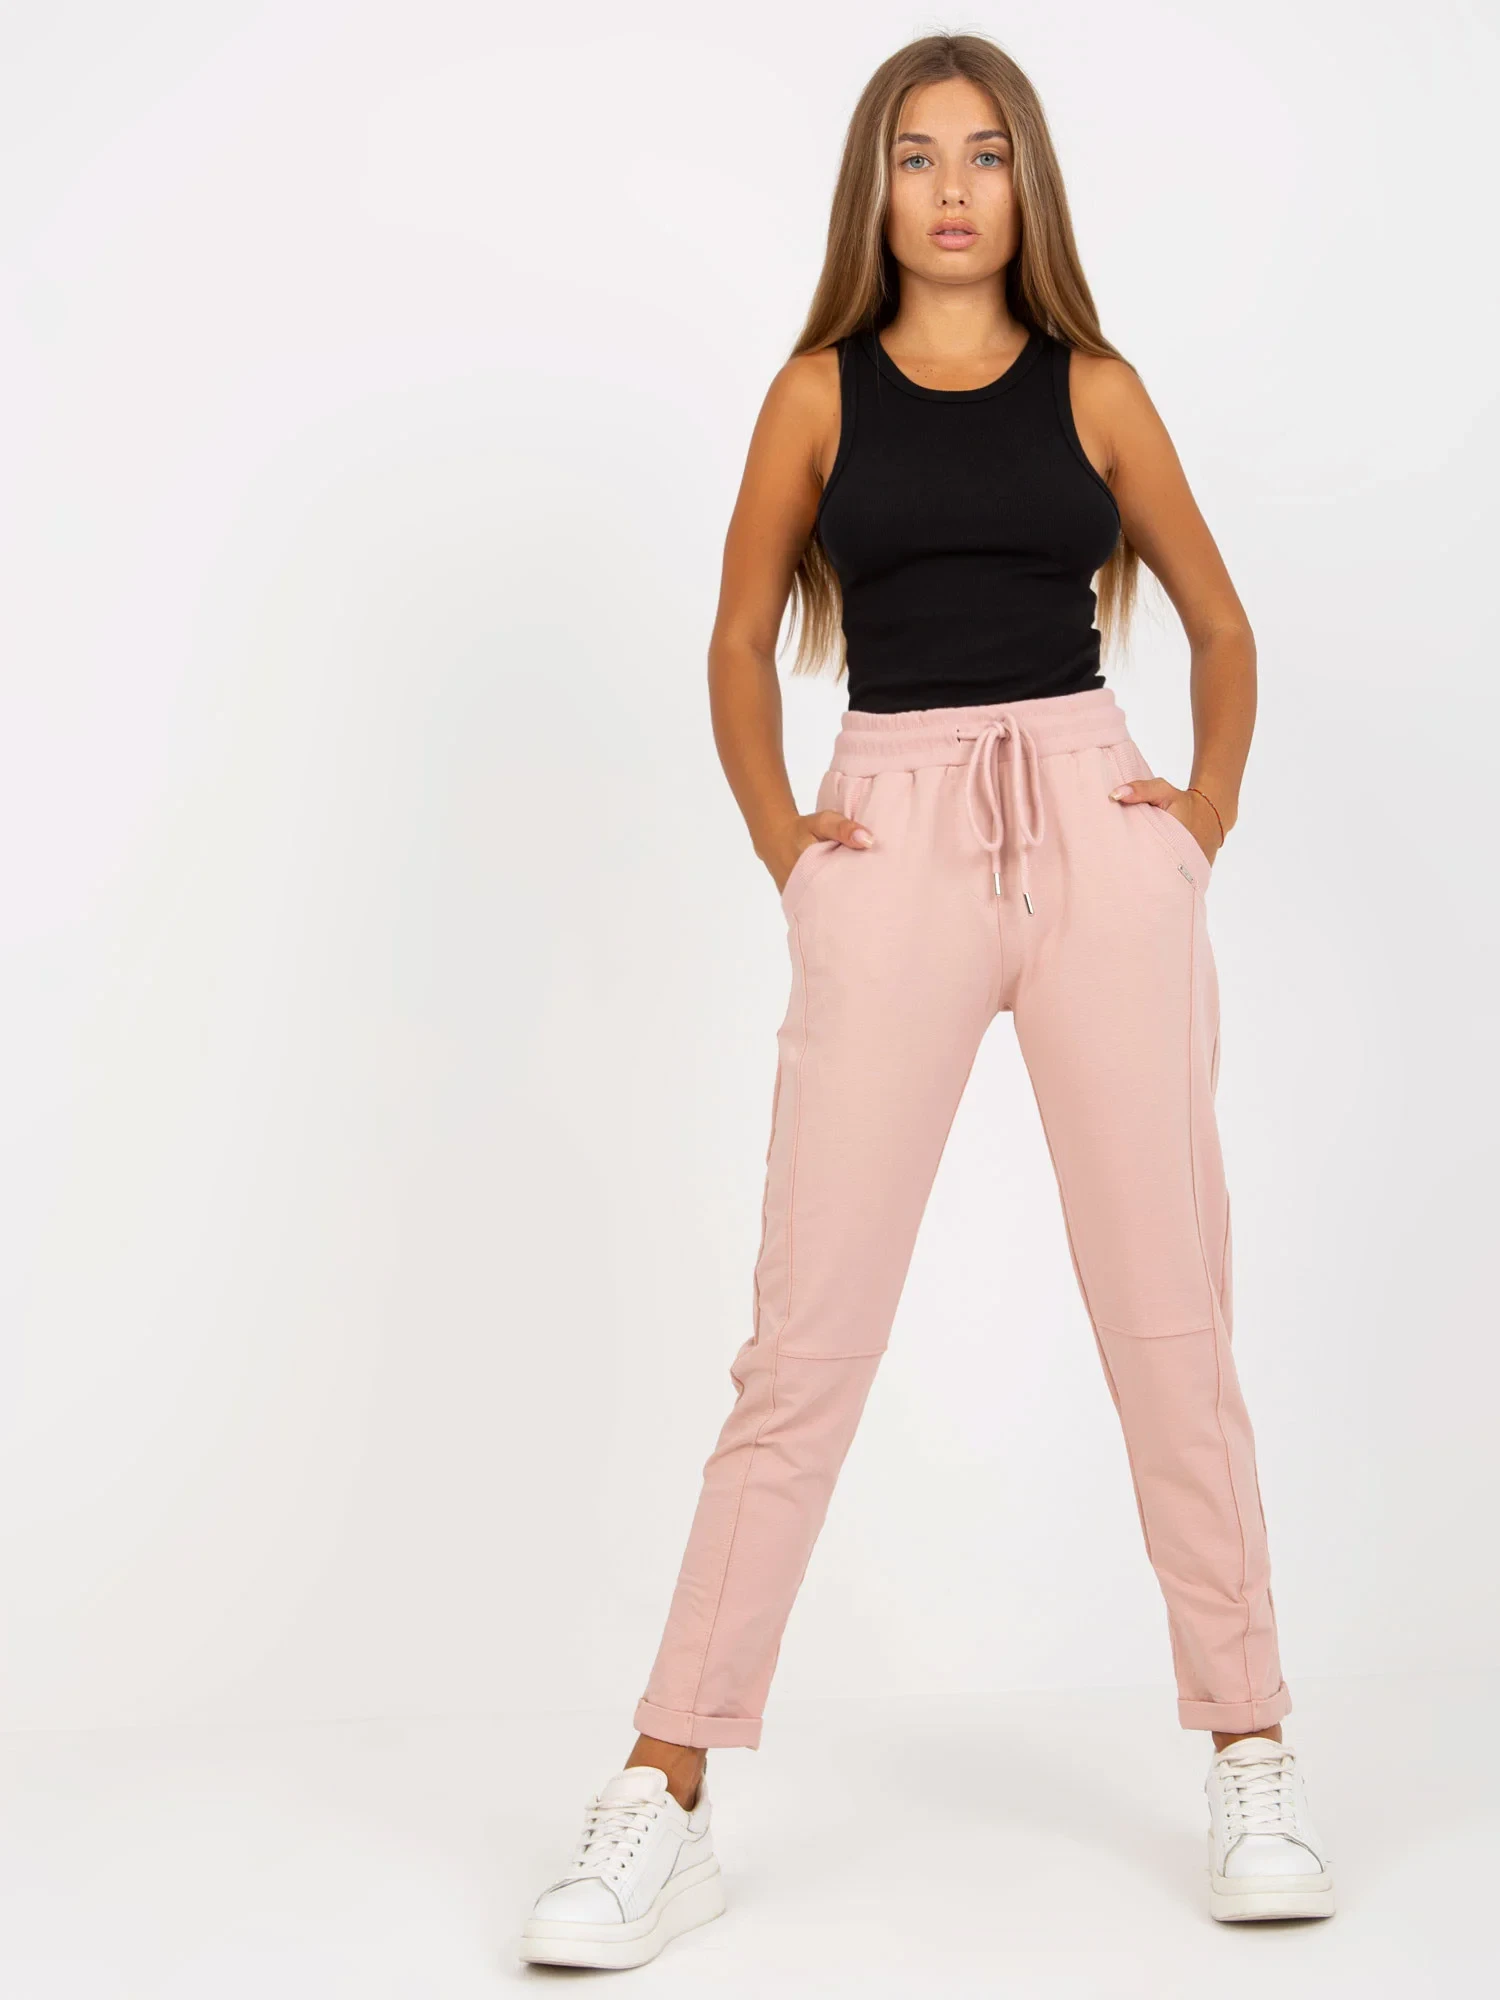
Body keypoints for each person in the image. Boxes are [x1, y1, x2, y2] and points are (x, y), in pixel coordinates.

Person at [519, 31, 1334, 1970]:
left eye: (983, 154)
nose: (953, 189)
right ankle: (664, 1787)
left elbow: (1221, 621)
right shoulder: (817, 394)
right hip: (886, 832)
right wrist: (790, 848)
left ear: (1027, 184)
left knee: (1169, 1311)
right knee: (805, 1338)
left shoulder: (1096, 388)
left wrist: (1198, 821)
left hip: (1095, 823)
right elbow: (738, 637)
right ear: (872, 192)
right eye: (915, 156)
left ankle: (1251, 1743)